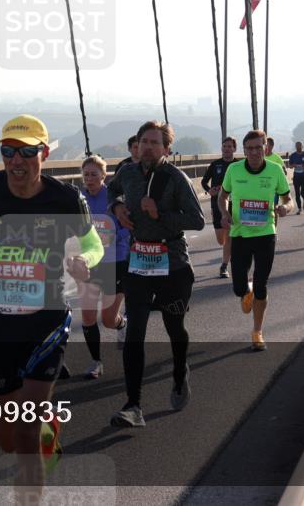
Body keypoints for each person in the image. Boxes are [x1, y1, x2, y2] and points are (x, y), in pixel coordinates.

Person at [0, 115, 104, 491]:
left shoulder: (66, 198)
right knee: (7, 437)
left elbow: (94, 244)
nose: (17, 161)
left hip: (46, 318)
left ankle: (31, 494)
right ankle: (49, 429)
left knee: (25, 425)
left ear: (44, 153)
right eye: (8, 152)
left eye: (28, 152)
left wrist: (86, 262)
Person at [107, 120, 205, 427]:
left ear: (166, 149)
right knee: (135, 331)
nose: (147, 146)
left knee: (174, 327)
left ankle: (179, 373)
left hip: (172, 265)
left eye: (154, 142)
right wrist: (117, 208)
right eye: (143, 141)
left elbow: (197, 220)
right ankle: (133, 405)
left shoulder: (175, 178)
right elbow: (113, 191)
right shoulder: (127, 173)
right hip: (138, 262)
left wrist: (159, 214)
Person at [219, 130, 294, 351]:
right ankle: (246, 290)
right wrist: (224, 214)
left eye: (258, 147)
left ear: (266, 148)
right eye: (249, 148)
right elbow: (222, 196)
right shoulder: (234, 170)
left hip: (265, 234)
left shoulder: (274, 170)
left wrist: (285, 208)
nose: (253, 152)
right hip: (240, 235)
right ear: (244, 150)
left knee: (262, 284)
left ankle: (257, 331)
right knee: (238, 288)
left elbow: (288, 199)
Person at [76, 155, 129, 379]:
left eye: (94, 174)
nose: (89, 178)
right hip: (89, 264)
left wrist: (113, 236)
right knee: (88, 316)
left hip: (115, 262)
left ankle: (121, 323)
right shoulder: (78, 200)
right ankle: (96, 362)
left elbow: (126, 227)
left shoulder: (114, 199)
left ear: (103, 176)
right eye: (86, 174)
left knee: (108, 320)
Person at [201, 137, 239, 278]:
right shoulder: (215, 164)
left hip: (233, 204)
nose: (227, 148)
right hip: (216, 204)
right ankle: (226, 250)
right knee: (220, 239)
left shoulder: (239, 165)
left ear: (234, 149)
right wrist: (209, 190)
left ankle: (224, 266)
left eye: (229, 146)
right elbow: (204, 181)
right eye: (224, 146)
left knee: (229, 236)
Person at [287, 141, 304, 215]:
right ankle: (299, 209)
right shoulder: (293, 155)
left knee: (303, 192)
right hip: (296, 176)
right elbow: (289, 166)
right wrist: (293, 165)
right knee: (297, 193)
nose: (298, 147)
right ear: (295, 147)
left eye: (300, 146)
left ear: (302, 146)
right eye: (297, 146)